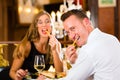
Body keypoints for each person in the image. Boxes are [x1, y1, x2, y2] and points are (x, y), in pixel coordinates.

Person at [57, 9, 120, 80]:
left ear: (86, 22)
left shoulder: (89, 50)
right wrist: (75, 62)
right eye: (68, 32)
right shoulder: (112, 38)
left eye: (73, 28)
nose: (71, 36)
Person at [9, 10, 63, 80]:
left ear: (51, 25)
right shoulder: (27, 45)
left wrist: (54, 51)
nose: (44, 25)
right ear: (36, 26)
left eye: (47, 21)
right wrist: (17, 77)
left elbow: (60, 73)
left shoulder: (56, 44)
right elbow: (12, 72)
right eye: (40, 22)